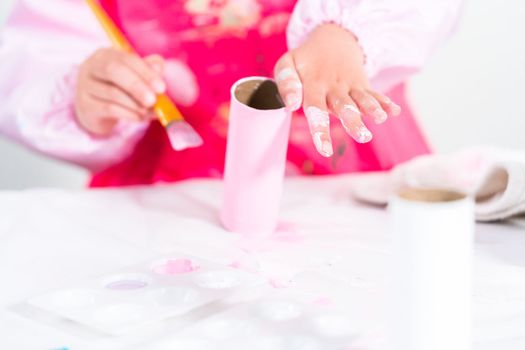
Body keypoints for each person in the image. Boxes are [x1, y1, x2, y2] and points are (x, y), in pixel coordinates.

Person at [0, 0, 463, 187]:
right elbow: (32, 57)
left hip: (355, 183)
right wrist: (86, 90)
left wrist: (348, 35)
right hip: (169, 205)